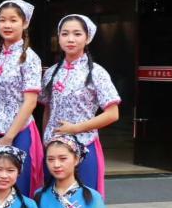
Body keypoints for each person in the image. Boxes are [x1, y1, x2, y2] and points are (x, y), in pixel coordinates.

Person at [39, 15, 120, 196]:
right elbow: (48, 110)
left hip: (85, 146)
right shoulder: (50, 73)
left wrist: (76, 128)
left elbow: (113, 113)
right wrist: (46, 140)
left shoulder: (97, 72)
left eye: (77, 34)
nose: (70, 39)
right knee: (51, 200)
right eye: (65, 34)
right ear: (58, 37)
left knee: (84, 200)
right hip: (53, 150)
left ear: (87, 38)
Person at [0, 0, 44, 197]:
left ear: (25, 23)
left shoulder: (30, 58)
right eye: (2, 20)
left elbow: (30, 102)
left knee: (19, 190)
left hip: (20, 133)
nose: (7, 25)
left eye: (13, 20)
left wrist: (9, 137)